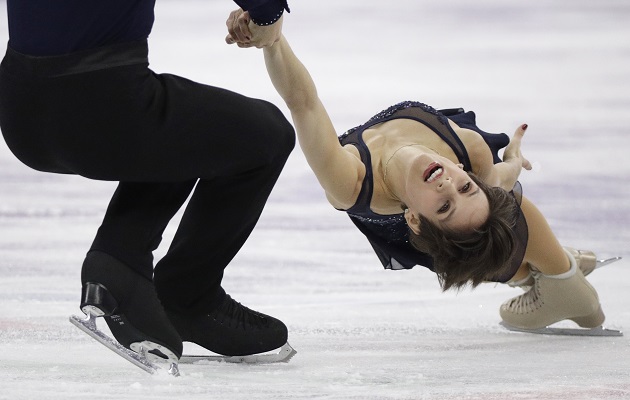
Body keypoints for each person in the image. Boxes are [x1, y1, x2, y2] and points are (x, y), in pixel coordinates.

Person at [225, 9, 607, 332]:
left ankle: (567, 289)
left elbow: (303, 103)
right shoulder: (471, 155)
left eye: (444, 206)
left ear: (415, 219)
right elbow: (499, 182)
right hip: (452, 211)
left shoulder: (350, 182)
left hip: (409, 227)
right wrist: (509, 163)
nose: (447, 184)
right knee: (493, 218)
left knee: (483, 237)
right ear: (467, 174)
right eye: (464, 188)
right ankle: (537, 272)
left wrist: (270, 37)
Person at [0, 0, 295, 372]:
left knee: (191, 128)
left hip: (18, 109)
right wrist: (266, 12)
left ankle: (118, 260)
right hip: (101, 105)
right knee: (267, 137)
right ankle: (184, 294)